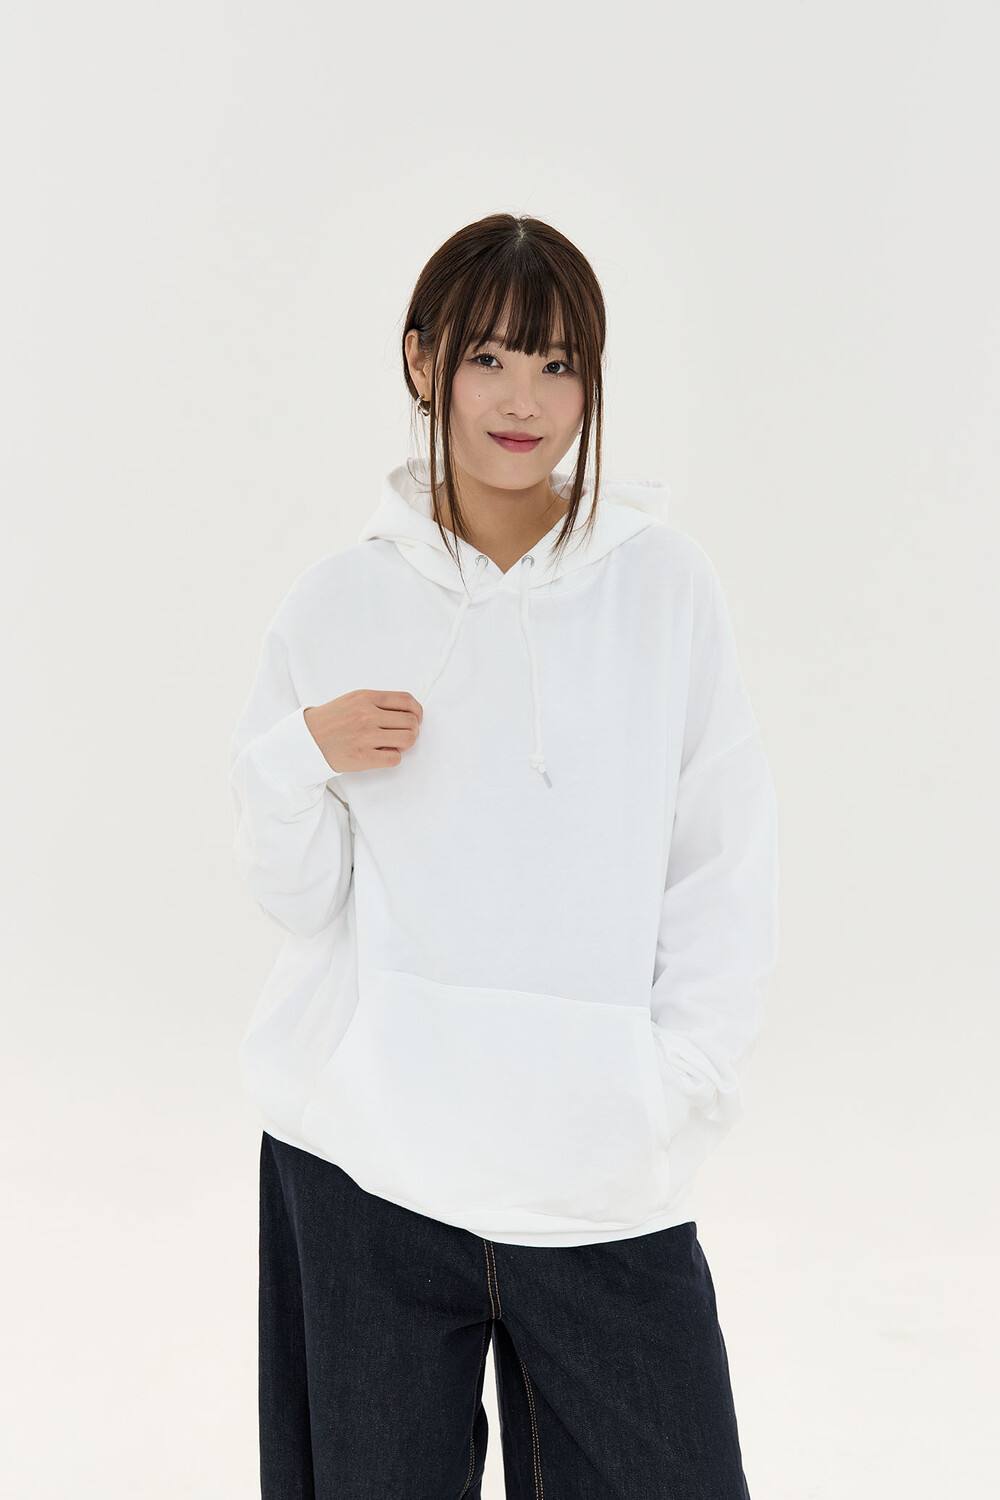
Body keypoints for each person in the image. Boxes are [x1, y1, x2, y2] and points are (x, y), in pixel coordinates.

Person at [228, 212, 780, 1499]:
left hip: (598, 1176)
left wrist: (674, 1087)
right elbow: (299, 899)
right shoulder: (338, 601)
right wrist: (296, 756)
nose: (524, 401)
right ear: (422, 362)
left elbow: (722, 855)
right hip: (368, 1168)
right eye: (488, 358)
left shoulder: (664, 589)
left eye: (557, 363)